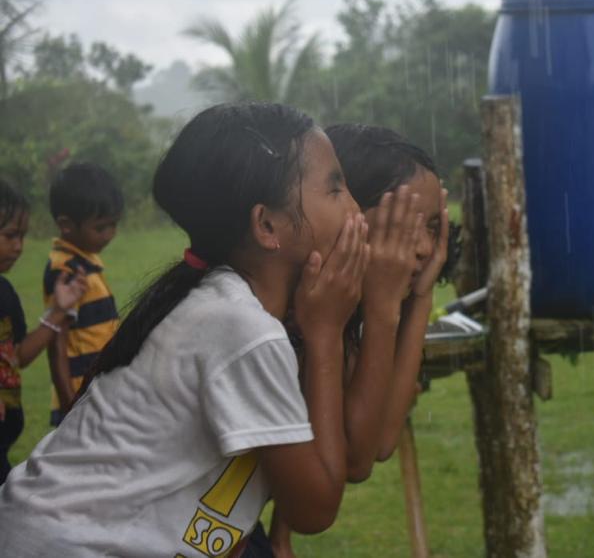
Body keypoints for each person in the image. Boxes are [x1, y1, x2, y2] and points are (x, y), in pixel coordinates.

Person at [0, 103, 368, 557]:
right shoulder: (240, 328)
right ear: (267, 225)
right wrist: (327, 332)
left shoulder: (223, 307)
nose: (357, 212)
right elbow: (316, 509)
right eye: (336, 189)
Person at [262, 123, 449, 557]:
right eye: (404, 228)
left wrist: (419, 296)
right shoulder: (290, 317)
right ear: (344, 217)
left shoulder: (339, 319)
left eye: (433, 228)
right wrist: (386, 305)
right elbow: (356, 460)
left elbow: (381, 439)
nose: (422, 248)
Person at [0, 179, 87, 484]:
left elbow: (19, 356)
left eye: (22, 236)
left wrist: (59, 311)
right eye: (10, 236)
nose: (19, 247)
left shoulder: (5, 293)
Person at [43, 162, 123, 425]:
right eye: (101, 228)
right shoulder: (66, 269)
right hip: (80, 397)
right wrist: (70, 404)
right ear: (66, 225)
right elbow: (57, 339)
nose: (109, 235)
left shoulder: (84, 261)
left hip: (98, 390)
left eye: (113, 225)